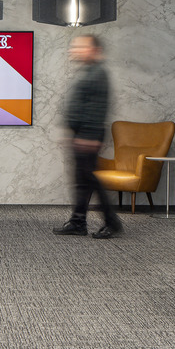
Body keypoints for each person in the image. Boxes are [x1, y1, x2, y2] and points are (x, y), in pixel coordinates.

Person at [54, 34, 122, 239]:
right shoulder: (87, 71)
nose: (72, 50)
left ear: (93, 50)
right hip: (80, 134)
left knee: (91, 179)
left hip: (88, 135)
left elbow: (98, 107)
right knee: (82, 180)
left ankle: (112, 222)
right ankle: (78, 222)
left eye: (79, 46)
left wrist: (89, 135)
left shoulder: (98, 73)